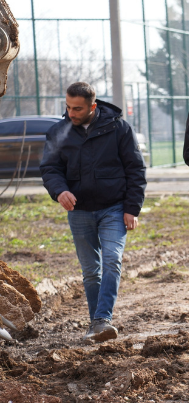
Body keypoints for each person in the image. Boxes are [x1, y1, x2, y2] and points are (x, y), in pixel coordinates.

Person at [40, 82, 147, 343]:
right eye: (68, 107)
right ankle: (97, 323)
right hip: (79, 211)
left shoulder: (118, 128)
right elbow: (50, 169)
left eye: (77, 109)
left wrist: (132, 208)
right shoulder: (59, 132)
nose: (71, 113)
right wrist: (60, 191)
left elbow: (136, 169)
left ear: (93, 107)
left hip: (114, 208)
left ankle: (102, 320)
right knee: (90, 271)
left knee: (112, 260)